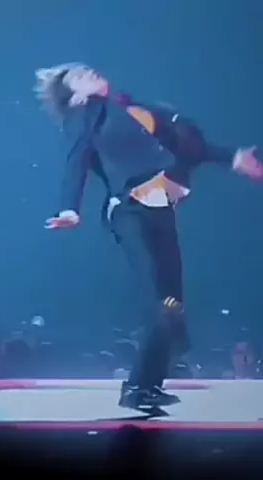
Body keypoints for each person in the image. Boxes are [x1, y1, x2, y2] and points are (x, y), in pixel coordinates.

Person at [34, 63, 263, 410]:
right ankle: (135, 389)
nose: (89, 72)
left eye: (87, 69)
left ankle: (150, 385)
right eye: (78, 76)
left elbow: (189, 145)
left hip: (161, 208)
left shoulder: (135, 109)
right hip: (131, 210)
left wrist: (232, 158)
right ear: (75, 95)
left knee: (172, 306)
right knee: (160, 305)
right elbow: (76, 157)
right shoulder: (87, 114)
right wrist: (69, 207)